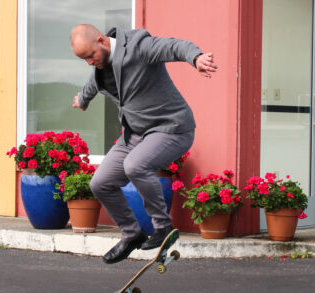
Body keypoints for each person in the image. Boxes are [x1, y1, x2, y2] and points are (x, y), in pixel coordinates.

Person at [69, 24, 217, 264]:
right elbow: (93, 83)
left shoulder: (140, 47)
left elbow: (174, 46)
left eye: (89, 55)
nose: (88, 62)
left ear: (102, 41)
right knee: (100, 183)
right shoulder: (100, 64)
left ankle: (163, 227)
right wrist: (83, 100)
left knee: (135, 165)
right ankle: (132, 234)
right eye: (83, 58)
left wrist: (196, 57)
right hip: (135, 134)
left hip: (171, 128)